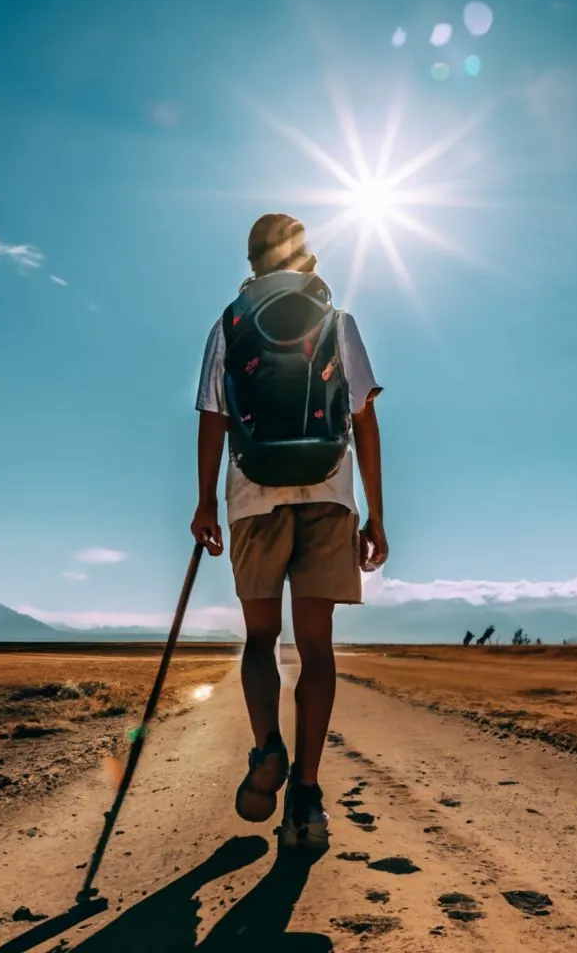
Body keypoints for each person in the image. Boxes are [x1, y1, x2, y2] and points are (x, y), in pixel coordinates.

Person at [191, 212, 388, 849]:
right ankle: (305, 798)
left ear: (250, 263)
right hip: (328, 493)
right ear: (306, 258)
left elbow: (213, 419)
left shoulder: (230, 324)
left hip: (252, 496)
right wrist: (375, 515)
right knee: (317, 649)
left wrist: (204, 506)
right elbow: (363, 421)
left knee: (258, 639)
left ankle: (265, 747)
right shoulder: (338, 321)